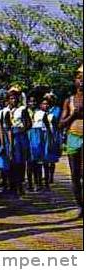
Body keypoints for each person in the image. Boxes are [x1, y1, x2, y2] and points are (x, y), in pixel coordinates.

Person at [59, 64, 84, 218]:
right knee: (75, 175)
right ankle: (81, 206)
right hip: (73, 137)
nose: (82, 81)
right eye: (79, 78)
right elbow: (61, 123)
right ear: (75, 81)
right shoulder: (69, 101)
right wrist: (73, 115)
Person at [5, 86, 32, 198]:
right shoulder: (5, 110)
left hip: (20, 136)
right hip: (8, 136)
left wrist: (22, 129)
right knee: (9, 162)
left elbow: (29, 123)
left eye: (15, 98)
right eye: (11, 98)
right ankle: (10, 185)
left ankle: (19, 184)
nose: (14, 100)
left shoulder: (22, 110)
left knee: (19, 162)